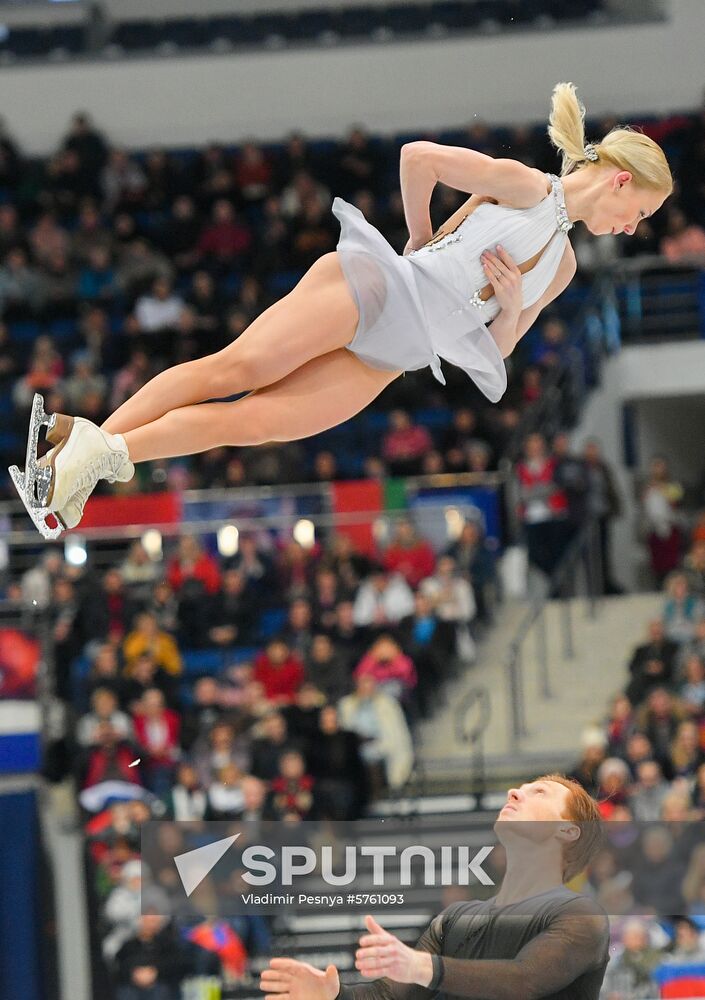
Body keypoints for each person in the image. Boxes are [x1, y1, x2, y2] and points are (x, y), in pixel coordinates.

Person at [22, 83, 671, 532]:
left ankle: (81, 459)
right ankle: (76, 458)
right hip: (374, 292)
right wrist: (418, 238)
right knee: (234, 370)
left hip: (391, 358)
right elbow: (417, 159)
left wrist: (504, 307)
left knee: (247, 426)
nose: (631, 228)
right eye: (639, 213)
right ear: (620, 181)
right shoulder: (527, 187)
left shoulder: (560, 265)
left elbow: (496, 350)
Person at [260, 774, 609, 999]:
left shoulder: (580, 915)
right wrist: (333, 993)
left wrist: (422, 967)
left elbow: (524, 982)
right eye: (524, 787)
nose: (514, 790)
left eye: (539, 792)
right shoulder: (456, 917)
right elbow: (389, 997)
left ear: (567, 830)